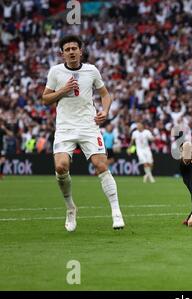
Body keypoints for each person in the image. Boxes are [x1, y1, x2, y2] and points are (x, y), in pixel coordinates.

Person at [41, 35, 125, 232]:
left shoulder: (91, 70)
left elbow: (105, 94)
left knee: (101, 164)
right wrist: (63, 90)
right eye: (67, 49)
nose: (71, 51)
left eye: (74, 48)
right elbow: (45, 99)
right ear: (62, 53)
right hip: (65, 127)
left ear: (80, 50)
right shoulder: (55, 72)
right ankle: (70, 207)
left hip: (88, 126)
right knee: (61, 167)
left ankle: (116, 212)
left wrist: (105, 111)